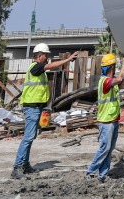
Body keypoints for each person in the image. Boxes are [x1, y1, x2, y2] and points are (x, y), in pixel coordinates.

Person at [11, 43, 84, 179]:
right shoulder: (36, 67)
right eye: (46, 55)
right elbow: (50, 66)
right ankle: (17, 167)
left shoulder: (39, 70)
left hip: (36, 107)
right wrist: (68, 60)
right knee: (28, 137)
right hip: (31, 107)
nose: (48, 58)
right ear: (39, 56)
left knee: (31, 136)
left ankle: (24, 165)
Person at [86, 52, 124, 180]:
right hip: (106, 121)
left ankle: (103, 174)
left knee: (109, 149)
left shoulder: (111, 81)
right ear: (112, 67)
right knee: (105, 148)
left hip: (113, 119)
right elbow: (120, 79)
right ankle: (91, 171)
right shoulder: (105, 82)